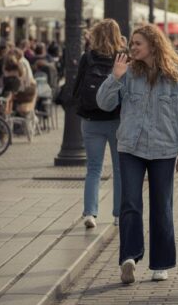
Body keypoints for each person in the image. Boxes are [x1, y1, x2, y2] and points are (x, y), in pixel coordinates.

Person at [97, 24, 178, 284]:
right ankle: (129, 258)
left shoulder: (177, 77)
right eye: (131, 43)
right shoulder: (128, 74)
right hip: (131, 147)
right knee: (129, 203)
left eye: (137, 43)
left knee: (162, 207)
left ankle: (161, 263)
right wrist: (115, 77)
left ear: (153, 45)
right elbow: (104, 103)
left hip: (164, 149)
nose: (132, 48)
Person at [73, 20, 125, 228]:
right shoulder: (122, 59)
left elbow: (76, 88)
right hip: (116, 120)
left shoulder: (88, 57)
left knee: (93, 168)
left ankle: (90, 213)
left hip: (90, 120)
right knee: (120, 169)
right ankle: (119, 214)